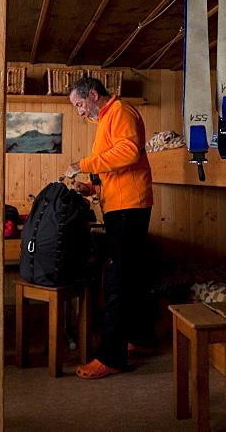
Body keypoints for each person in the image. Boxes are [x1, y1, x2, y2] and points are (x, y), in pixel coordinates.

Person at [65, 77, 155, 379]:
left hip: (129, 207)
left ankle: (111, 358)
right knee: (134, 277)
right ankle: (142, 340)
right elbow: (113, 169)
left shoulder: (121, 112)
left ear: (93, 95)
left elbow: (129, 152)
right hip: (120, 204)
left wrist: (84, 164)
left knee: (118, 282)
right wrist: (90, 188)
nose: (79, 111)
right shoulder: (106, 119)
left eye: (79, 104)